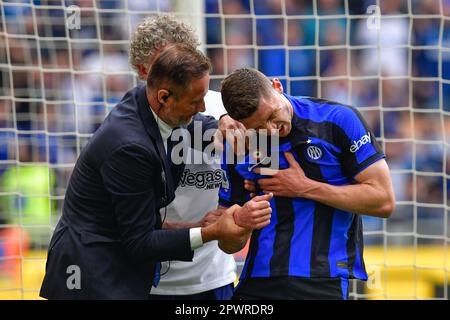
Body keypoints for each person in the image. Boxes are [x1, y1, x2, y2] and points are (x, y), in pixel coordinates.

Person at [39, 46, 272, 300]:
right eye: (195, 101)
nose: (203, 106)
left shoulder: (145, 102)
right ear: (163, 97)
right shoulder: (130, 148)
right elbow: (140, 242)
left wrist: (226, 124)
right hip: (92, 278)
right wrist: (211, 232)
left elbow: (196, 126)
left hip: (115, 269)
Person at [219, 67, 396, 300]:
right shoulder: (239, 143)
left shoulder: (337, 120)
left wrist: (304, 187)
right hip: (258, 278)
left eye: (273, 115)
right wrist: (241, 221)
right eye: (260, 127)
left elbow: (383, 201)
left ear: (277, 86)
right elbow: (228, 244)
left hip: (322, 279)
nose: (273, 129)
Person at [128, 14, 245, 300]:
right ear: (145, 72)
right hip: (145, 279)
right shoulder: (129, 124)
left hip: (212, 275)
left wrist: (235, 211)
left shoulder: (222, 109)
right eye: (164, 65)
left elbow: (259, 170)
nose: (176, 70)